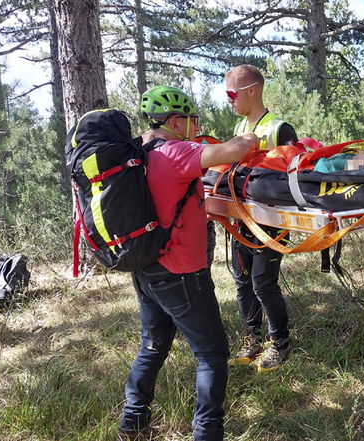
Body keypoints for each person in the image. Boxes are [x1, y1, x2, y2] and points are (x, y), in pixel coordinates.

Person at [117, 85, 259, 441]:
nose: (196, 126)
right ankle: (207, 433)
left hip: (147, 266)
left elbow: (171, 199)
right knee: (212, 355)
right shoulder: (178, 151)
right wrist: (254, 133)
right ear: (177, 121)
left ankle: (132, 425)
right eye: (193, 120)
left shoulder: (141, 151)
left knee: (152, 345)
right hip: (182, 273)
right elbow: (237, 148)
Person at [224, 64, 298, 372]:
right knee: (242, 281)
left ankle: (279, 342)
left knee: (262, 283)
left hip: (270, 223)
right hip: (240, 220)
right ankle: (250, 337)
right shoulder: (239, 130)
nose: (229, 100)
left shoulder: (279, 128)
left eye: (232, 93)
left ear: (251, 90)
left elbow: (293, 179)